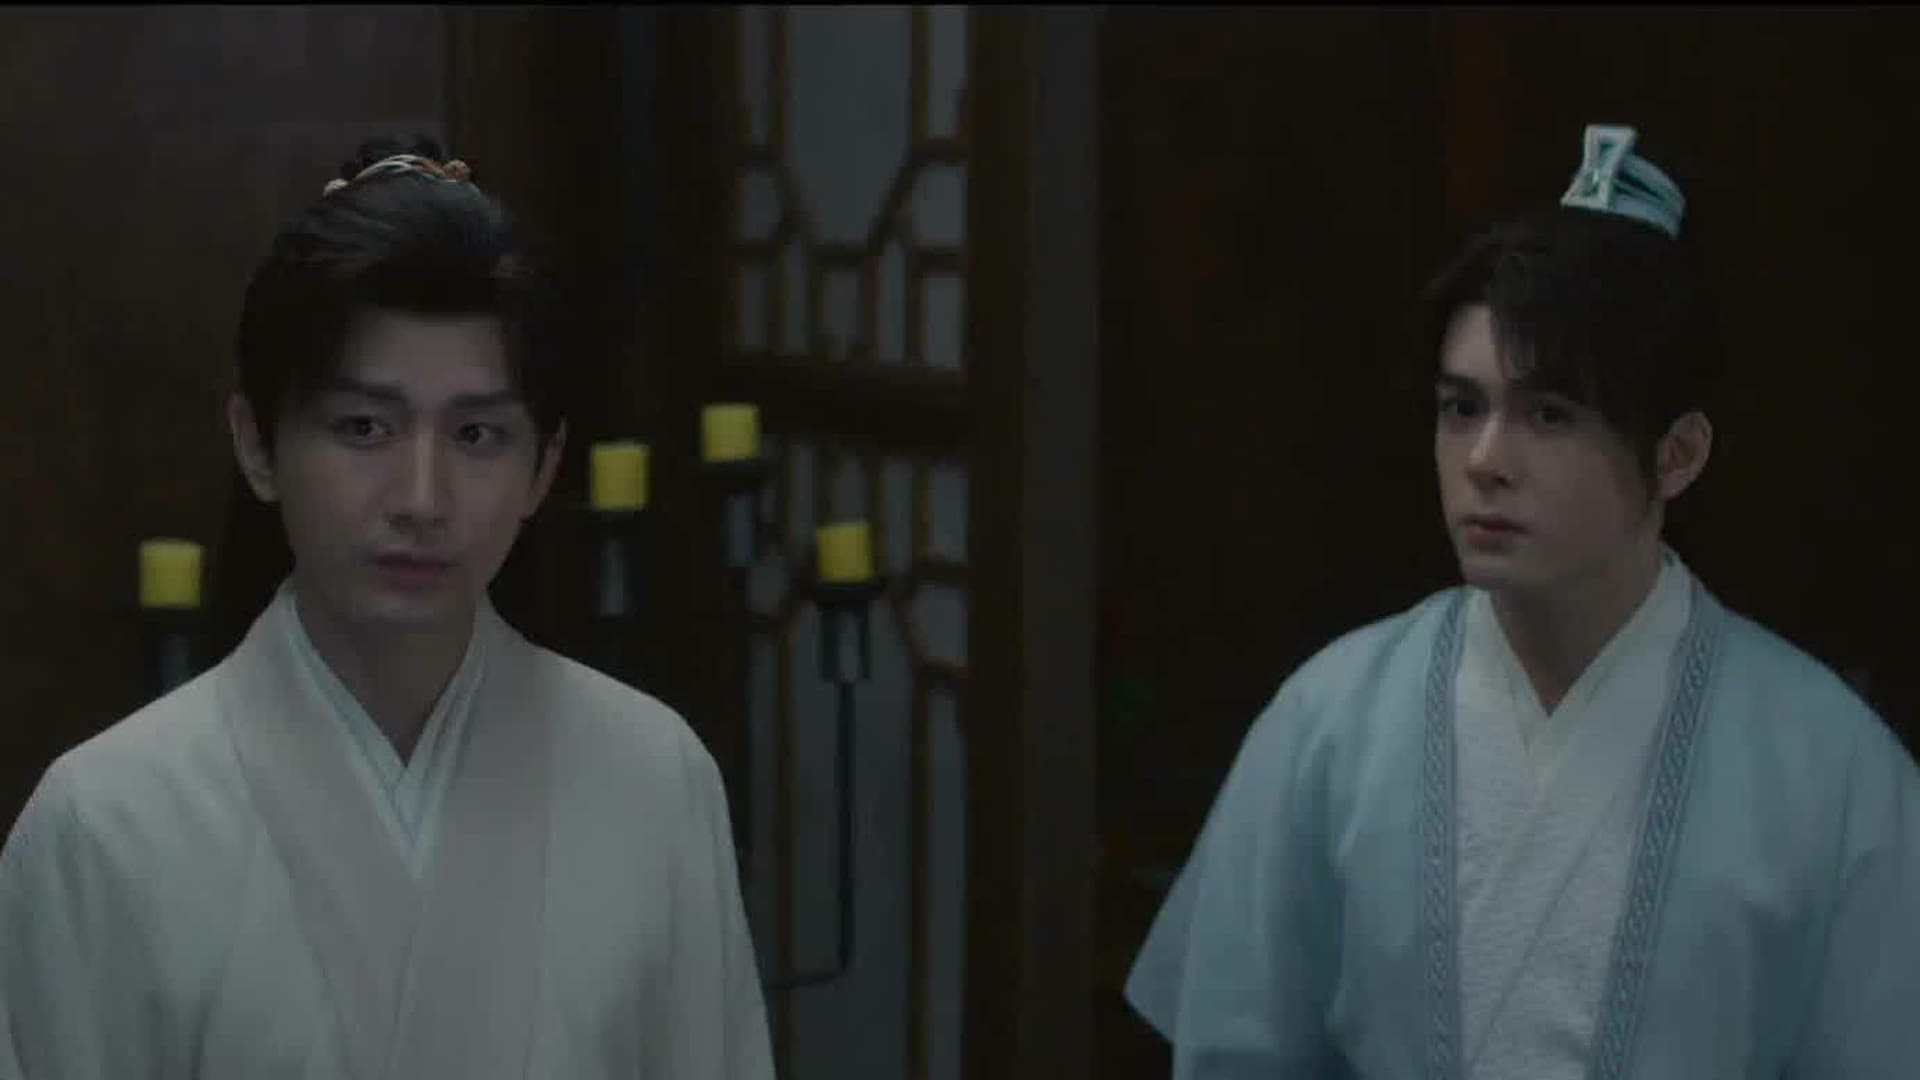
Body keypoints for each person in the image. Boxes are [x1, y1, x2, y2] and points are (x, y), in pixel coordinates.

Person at [1125, 124, 1920, 1078]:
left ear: (1678, 453)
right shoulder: (1328, 723)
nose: (1486, 461)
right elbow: (1239, 1051)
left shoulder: (1831, 767)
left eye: (1549, 414)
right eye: (1461, 407)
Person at [0, 136, 773, 1079]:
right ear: (257, 444)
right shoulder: (106, 822)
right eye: (363, 427)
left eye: (477, 434)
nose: (420, 497)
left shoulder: (653, 777)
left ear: (544, 467)